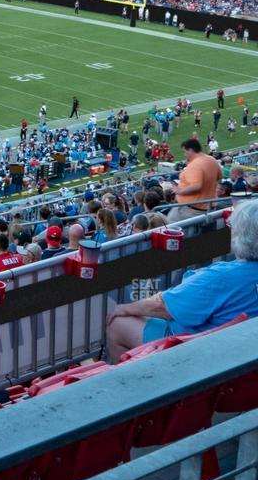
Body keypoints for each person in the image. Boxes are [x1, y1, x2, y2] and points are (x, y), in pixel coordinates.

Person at [106, 199, 258, 360]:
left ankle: (127, 380)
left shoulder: (219, 277)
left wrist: (123, 309)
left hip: (196, 351)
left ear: (242, 236)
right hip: (238, 348)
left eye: (232, 227)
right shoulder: (221, 275)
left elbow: (162, 306)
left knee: (117, 323)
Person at [168, 138, 222, 222]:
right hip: (205, 207)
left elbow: (196, 186)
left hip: (190, 210)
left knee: (169, 228)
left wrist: (179, 191)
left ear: (190, 150)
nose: (184, 154)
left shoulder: (195, 164)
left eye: (185, 152)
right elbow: (218, 178)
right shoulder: (212, 160)